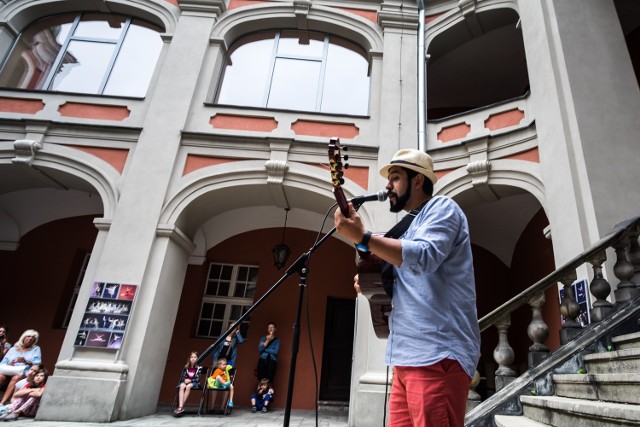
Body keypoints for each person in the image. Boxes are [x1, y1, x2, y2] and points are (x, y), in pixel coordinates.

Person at [334, 149, 481, 427]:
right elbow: (412, 281)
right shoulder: (408, 227)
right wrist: (369, 281)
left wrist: (363, 236)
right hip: (406, 357)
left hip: (437, 356)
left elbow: (423, 256)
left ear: (417, 181)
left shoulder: (443, 208)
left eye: (396, 177)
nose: (387, 185)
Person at [0, 330, 42, 406]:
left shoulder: (36, 349)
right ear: (23, 337)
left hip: (23, 371)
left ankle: (2, 402)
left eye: (33, 337)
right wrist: (10, 363)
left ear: (34, 340)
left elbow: (37, 363)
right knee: (1, 377)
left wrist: (26, 361)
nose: (30, 338)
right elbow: (3, 362)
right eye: (28, 336)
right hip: (9, 370)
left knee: (16, 378)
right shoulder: (13, 348)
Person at [174, 352, 203, 416]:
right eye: (191, 357)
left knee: (188, 386)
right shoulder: (186, 367)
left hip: (195, 383)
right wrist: (184, 380)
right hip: (186, 382)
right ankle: (181, 407)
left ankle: (180, 407)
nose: (193, 359)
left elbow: (197, 378)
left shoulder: (199, 368)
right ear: (189, 359)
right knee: (181, 385)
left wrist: (190, 380)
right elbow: (182, 377)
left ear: (197, 358)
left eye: (195, 357)